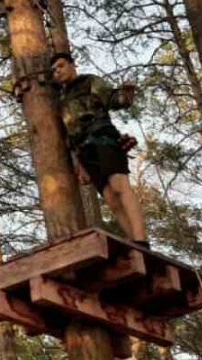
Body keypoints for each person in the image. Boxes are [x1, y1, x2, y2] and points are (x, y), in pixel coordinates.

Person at [50, 51, 148, 245]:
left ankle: (141, 240)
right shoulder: (61, 100)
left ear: (72, 64)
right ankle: (134, 242)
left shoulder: (89, 81)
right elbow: (68, 132)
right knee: (110, 198)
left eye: (61, 66)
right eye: (54, 70)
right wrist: (78, 163)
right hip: (83, 149)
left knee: (119, 185)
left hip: (103, 136)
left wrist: (125, 95)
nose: (57, 71)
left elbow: (112, 98)